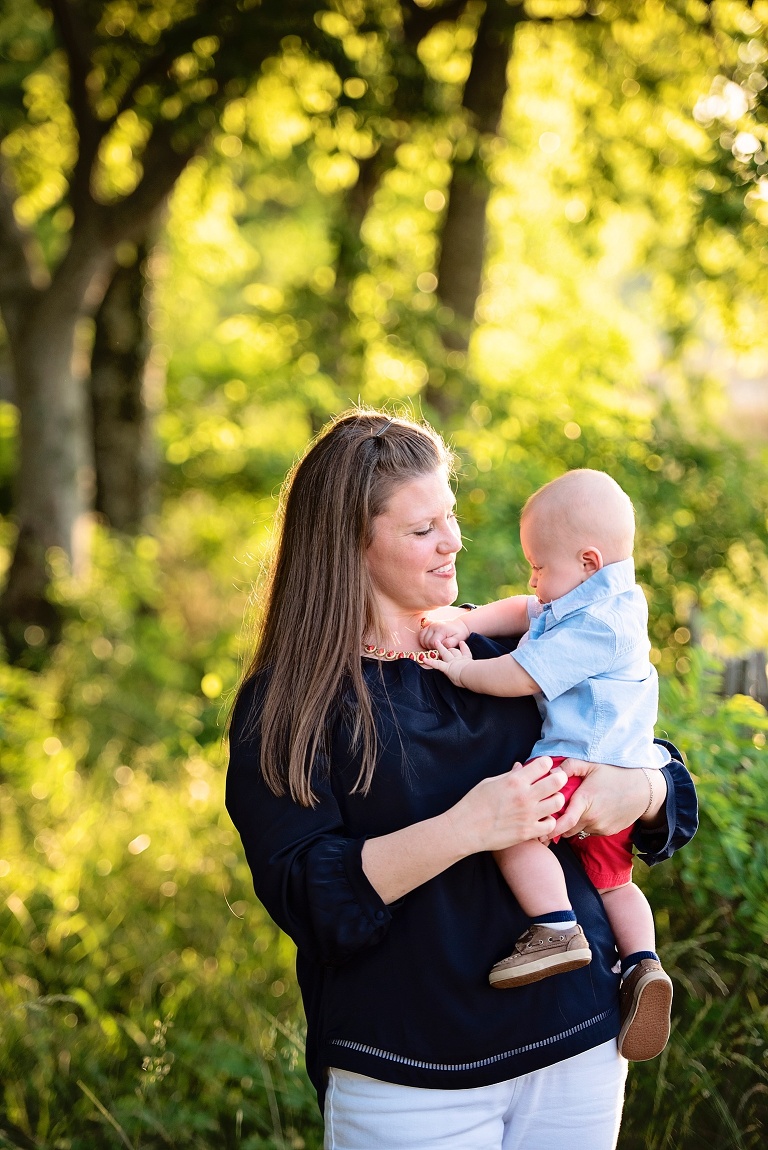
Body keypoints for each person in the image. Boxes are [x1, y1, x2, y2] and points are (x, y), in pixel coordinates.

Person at [226, 410, 697, 1150]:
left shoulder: (497, 641)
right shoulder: (293, 701)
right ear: (350, 542)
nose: (454, 542)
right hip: (410, 1070)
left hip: (577, 1042)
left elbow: (640, 747)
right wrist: (466, 828)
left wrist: (636, 791)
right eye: (422, 530)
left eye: (450, 516)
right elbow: (309, 898)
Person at [422, 469, 672, 1062]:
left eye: (539, 566)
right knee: (616, 882)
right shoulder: (608, 601)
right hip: (622, 771)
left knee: (511, 829)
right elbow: (522, 610)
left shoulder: (595, 626)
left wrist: (460, 669)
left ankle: (555, 927)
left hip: (573, 764)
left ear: (587, 561)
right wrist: (467, 620)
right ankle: (643, 964)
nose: (533, 581)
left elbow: (520, 675)